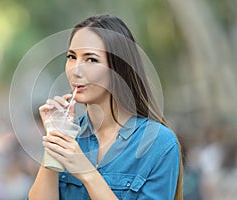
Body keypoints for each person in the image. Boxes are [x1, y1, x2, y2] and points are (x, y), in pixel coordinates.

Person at [28, 14, 183, 200]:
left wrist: (86, 172)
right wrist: (56, 137)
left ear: (118, 68)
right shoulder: (71, 137)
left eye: (91, 59)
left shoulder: (159, 144)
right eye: (71, 57)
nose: (76, 70)